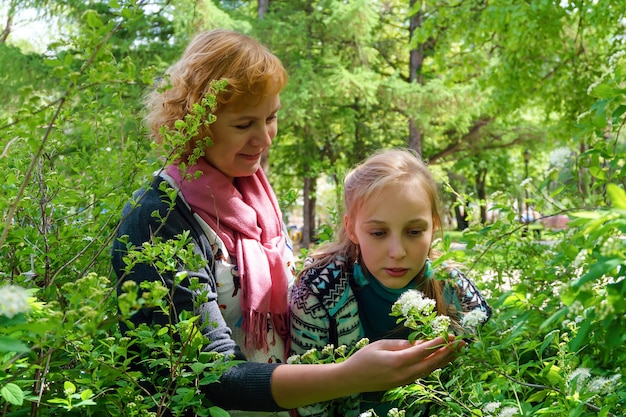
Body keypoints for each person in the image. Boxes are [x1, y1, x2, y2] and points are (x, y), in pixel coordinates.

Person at [111, 29, 464, 417]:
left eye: (271, 117)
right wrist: (350, 376)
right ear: (196, 121)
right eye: (244, 125)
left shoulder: (254, 198)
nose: (264, 139)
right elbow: (204, 376)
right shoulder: (158, 222)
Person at [290, 148, 492, 417]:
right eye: (378, 233)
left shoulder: (457, 292)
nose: (397, 251)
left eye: (414, 232)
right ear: (352, 229)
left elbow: (479, 388)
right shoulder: (318, 293)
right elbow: (308, 403)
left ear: (433, 227)